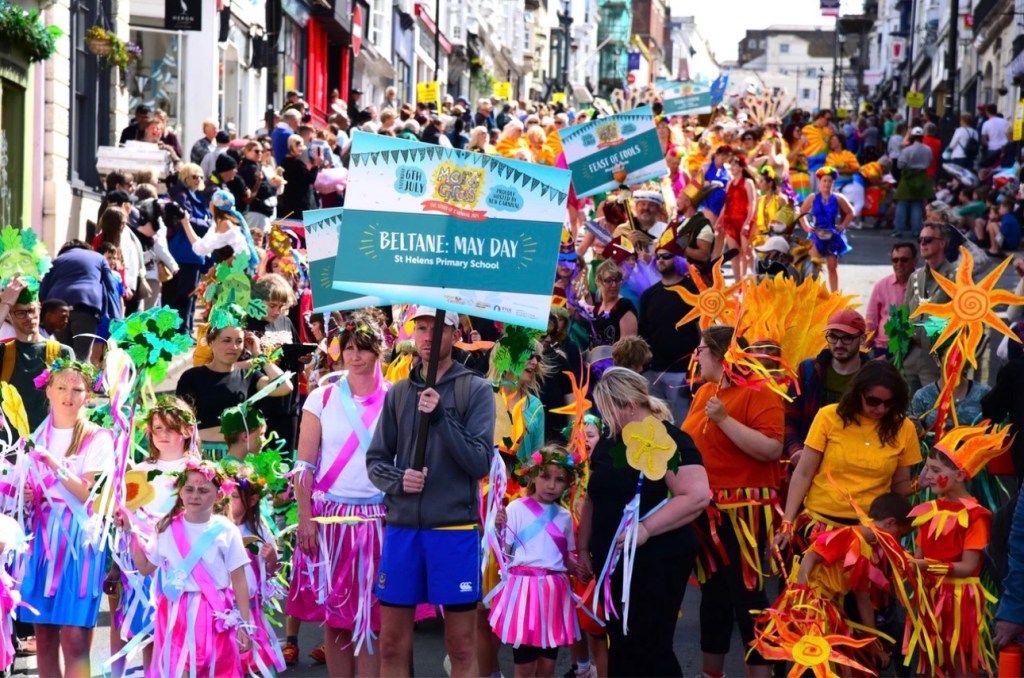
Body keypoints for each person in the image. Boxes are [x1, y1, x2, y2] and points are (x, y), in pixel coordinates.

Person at [366, 307, 495, 678]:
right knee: (391, 645)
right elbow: (375, 461)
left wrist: (441, 418)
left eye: (436, 328)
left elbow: (480, 462)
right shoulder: (399, 393)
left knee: (461, 646)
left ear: (455, 335)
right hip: (403, 530)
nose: (427, 336)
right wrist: (399, 479)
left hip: (453, 531)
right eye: (420, 328)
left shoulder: (476, 389)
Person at [580, 367, 710, 676]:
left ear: (628, 405)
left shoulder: (671, 440)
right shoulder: (612, 441)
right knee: (621, 644)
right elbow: (593, 497)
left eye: (609, 410)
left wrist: (646, 529)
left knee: (650, 646)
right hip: (613, 562)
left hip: (656, 561)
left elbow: (696, 495)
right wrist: (583, 549)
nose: (606, 418)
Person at [681, 326, 784, 678]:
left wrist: (724, 420)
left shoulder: (760, 392)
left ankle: (762, 672)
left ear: (721, 355)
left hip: (743, 512)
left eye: (701, 350)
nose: (696, 356)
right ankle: (711, 674)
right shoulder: (704, 391)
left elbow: (771, 449)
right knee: (713, 597)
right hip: (705, 509)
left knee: (748, 596)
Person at [288, 318, 388, 675]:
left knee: (375, 621)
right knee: (337, 620)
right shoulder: (322, 397)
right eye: (349, 349)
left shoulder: (396, 398)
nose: (355, 356)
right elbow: (304, 465)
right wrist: (305, 519)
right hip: (331, 521)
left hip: (380, 521)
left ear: (379, 351)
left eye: (363, 349)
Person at [18, 361, 114, 678]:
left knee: (74, 639)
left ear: (88, 396)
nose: (68, 396)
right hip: (41, 540)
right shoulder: (35, 436)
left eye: (77, 389)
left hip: (79, 542)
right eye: (61, 387)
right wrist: (27, 493)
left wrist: (55, 466)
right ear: (48, 390)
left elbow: (91, 495)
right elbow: (25, 486)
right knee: (44, 636)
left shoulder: (99, 438)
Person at [752, 493, 913, 672]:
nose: (898, 543)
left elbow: (863, 599)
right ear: (890, 523)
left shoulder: (867, 549)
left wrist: (873, 643)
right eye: (899, 535)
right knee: (821, 664)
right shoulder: (849, 535)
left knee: (840, 667)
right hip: (812, 607)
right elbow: (810, 558)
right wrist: (801, 601)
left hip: (828, 608)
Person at [777, 360, 919, 554]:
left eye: (888, 403)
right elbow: (803, 473)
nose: (880, 409)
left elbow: (899, 487)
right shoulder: (828, 416)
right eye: (873, 401)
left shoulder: (904, 428)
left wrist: (921, 482)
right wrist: (787, 521)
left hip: (870, 534)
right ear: (858, 394)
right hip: (821, 528)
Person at [126, 460, 253, 676]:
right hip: (177, 613)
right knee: (178, 668)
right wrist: (130, 532)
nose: (195, 495)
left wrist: (244, 623)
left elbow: (239, 579)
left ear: (219, 495)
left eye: (203, 490)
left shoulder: (226, 530)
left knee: (218, 668)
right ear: (180, 491)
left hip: (215, 612)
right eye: (189, 489)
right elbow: (146, 567)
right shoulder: (166, 528)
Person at [109, 396, 199, 677]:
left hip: (182, 562)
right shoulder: (139, 471)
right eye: (157, 428)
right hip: (144, 562)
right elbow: (128, 515)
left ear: (187, 430)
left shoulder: (197, 470)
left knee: (182, 631)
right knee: (149, 631)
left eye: (170, 428)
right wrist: (123, 521)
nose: (162, 434)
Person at [905, 426, 1002, 676]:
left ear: (959, 475)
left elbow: (968, 567)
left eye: (936, 471)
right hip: (930, 596)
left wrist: (927, 566)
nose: (927, 476)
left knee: (959, 660)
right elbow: (918, 557)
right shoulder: (928, 510)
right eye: (927, 468)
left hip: (960, 599)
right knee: (931, 658)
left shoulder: (976, 516)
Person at [486, 445, 581, 676]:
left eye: (559, 480)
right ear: (533, 475)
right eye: (545, 477)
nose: (551, 485)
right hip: (524, 594)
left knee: (547, 666)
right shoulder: (516, 509)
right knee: (525, 665)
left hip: (554, 593)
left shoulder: (565, 516)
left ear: (568, 483)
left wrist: (582, 568)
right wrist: (498, 529)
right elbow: (505, 553)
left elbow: (566, 557)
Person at [227, 465, 287, 676]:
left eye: (235, 496)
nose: (228, 500)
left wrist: (271, 560)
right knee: (228, 662)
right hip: (225, 611)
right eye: (226, 495)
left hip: (252, 610)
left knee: (258, 660)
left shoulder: (259, 529)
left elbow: (270, 572)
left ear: (252, 501)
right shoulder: (218, 529)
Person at [175, 325, 293, 431]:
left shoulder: (249, 375)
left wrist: (259, 355)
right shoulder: (192, 377)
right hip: (201, 448)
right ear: (211, 342)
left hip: (242, 448)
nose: (234, 347)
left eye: (239, 341)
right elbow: (180, 421)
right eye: (227, 340)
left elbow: (285, 387)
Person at [638, 228, 700, 423]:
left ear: (678, 259)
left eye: (666, 256)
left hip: (682, 372)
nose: (661, 260)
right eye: (658, 256)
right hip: (653, 370)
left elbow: (702, 330)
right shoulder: (649, 295)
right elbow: (643, 332)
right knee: (655, 426)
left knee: (682, 424)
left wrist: (698, 367)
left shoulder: (694, 291)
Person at [0, 279, 72, 432]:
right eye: (21, 313)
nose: (29, 317)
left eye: (32, 310)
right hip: (9, 442)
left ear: (39, 308)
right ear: (8, 316)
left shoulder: (62, 352)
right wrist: (5, 303)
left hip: (47, 438)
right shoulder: (3, 352)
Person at [39, 241, 122, 362]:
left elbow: (42, 292)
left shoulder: (56, 261)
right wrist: (114, 316)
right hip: (86, 309)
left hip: (58, 310)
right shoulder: (99, 258)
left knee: (65, 357)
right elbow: (110, 286)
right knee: (82, 359)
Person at [903, 223, 956, 393]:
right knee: (906, 404)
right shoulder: (915, 276)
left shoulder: (956, 277)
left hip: (936, 357)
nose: (922, 244)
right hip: (911, 353)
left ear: (942, 243)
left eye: (928, 239)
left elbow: (966, 320)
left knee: (935, 404)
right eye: (920, 240)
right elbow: (905, 312)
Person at [165, 164, 213, 335]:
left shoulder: (197, 196)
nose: (198, 179)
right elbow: (188, 220)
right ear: (185, 177)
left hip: (194, 252)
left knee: (191, 294)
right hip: (184, 252)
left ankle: (186, 330)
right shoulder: (182, 196)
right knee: (184, 294)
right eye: (194, 176)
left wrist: (206, 223)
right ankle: (181, 332)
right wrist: (206, 224)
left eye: (200, 176)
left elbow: (206, 220)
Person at [797, 166, 853, 292]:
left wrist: (842, 226)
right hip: (816, 235)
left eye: (829, 181)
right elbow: (801, 212)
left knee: (832, 267)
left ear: (833, 183)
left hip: (832, 236)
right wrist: (806, 226)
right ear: (819, 183)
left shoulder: (838, 198)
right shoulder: (813, 197)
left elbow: (850, 212)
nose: (827, 184)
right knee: (814, 267)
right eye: (824, 181)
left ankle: (834, 295)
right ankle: (813, 294)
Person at [865, 242, 917, 358]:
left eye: (904, 260)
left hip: (913, 348)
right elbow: (871, 320)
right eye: (895, 260)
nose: (899, 264)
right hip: (883, 347)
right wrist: (863, 350)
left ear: (915, 261)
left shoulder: (923, 285)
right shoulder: (881, 285)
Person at [715, 155, 757, 279]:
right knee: (734, 253)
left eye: (735, 165)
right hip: (730, 222)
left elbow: (753, 203)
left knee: (746, 252)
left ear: (741, 167)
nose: (732, 167)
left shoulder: (748, 182)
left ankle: (750, 278)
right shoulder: (729, 184)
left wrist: (748, 223)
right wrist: (719, 221)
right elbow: (726, 205)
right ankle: (738, 283)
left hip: (744, 221)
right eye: (731, 165)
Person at [893, 127, 935, 238]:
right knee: (917, 204)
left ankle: (898, 230)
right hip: (921, 177)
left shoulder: (907, 150)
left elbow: (900, 165)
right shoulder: (928, 149)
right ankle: (916, 231)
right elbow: (930, 161)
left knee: (902, 204)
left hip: (908, 177)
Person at [590, 259, 637, 346]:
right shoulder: (597, 307)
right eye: (608, 281)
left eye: (617, 280)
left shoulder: (624, 306)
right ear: (598, 282)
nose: (614, 285)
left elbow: (628, 348)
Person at [278, 134, 322, 220]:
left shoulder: (285, 162)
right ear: (291, 147)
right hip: (300, 205)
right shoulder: (296, 163)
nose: (301, 148)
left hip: (290, 204)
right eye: (298, 146)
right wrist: (316, 166)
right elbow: (310, 179)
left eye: (301, 146)